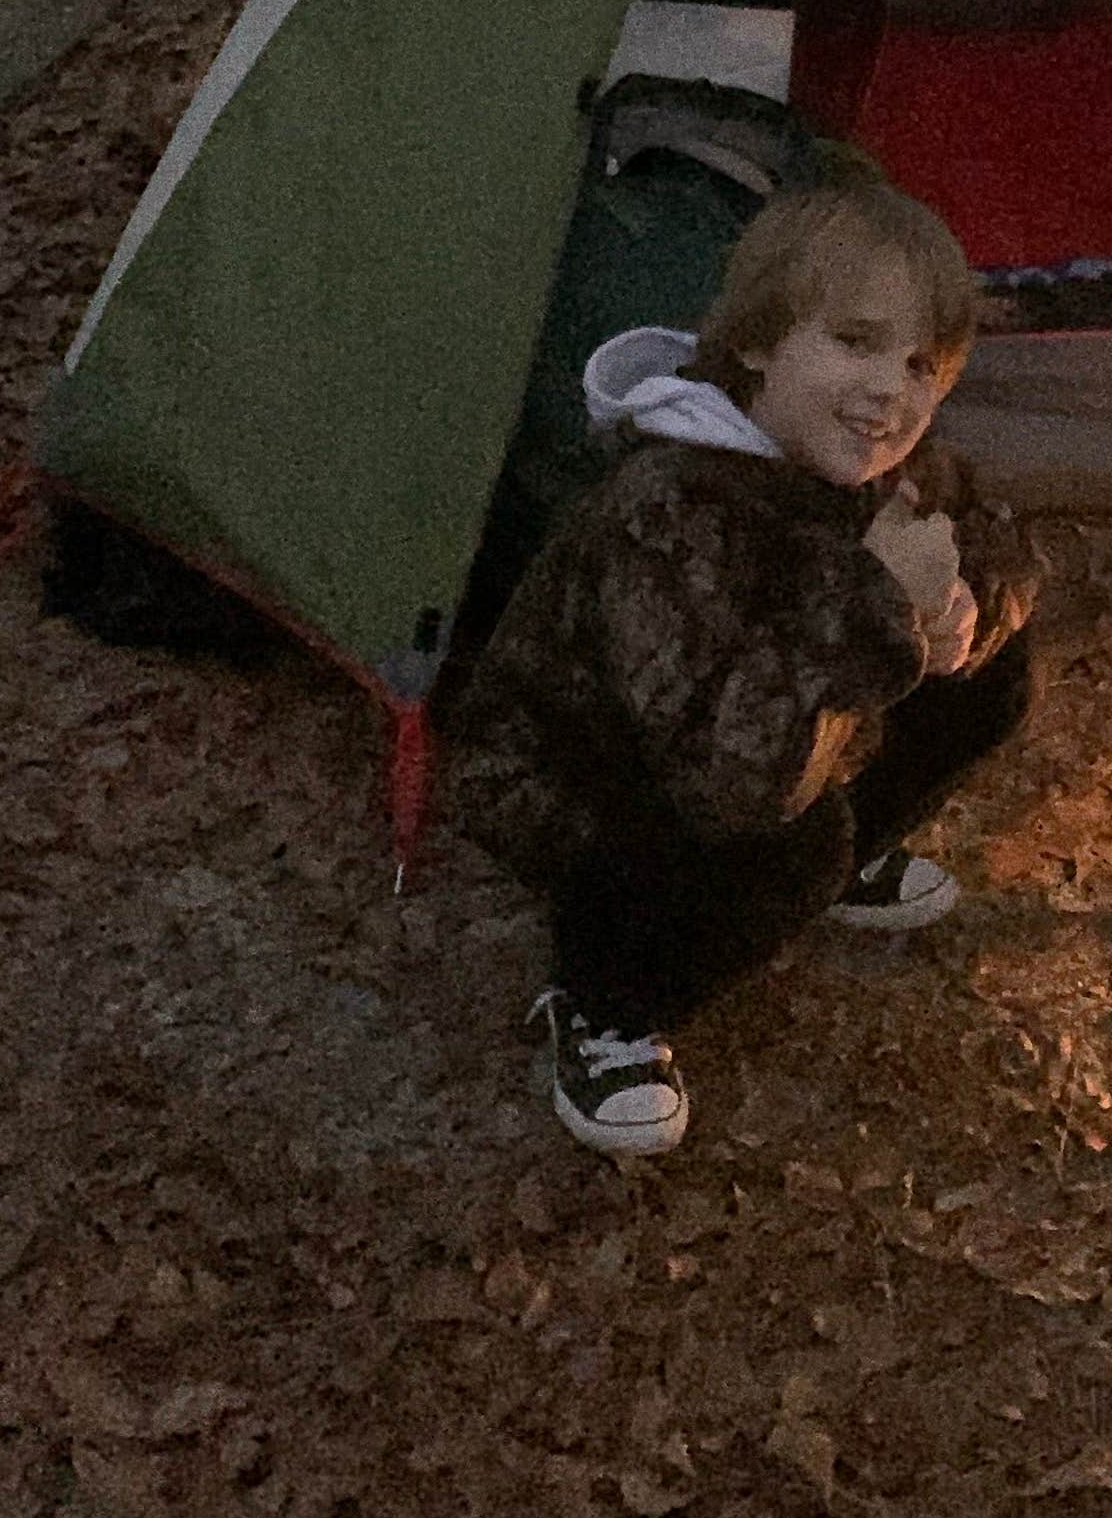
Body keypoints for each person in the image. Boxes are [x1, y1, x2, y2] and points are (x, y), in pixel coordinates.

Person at [444, 165, 1037, 1157]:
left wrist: (967, 607)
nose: (891, 389)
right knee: (781, 845)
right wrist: (877, 606)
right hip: (582, 773)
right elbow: (725, 780)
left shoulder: (886, 460)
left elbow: (1004, 538)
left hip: (752, 742)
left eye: (923, 364)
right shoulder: (671, 506)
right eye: (855, 342)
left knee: (987, 677)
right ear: (759, 343)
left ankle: (848, 856)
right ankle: (604, 1003)